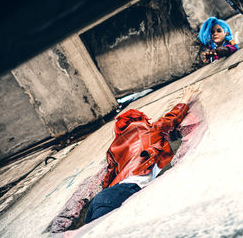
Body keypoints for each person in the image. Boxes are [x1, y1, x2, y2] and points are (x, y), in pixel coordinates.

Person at [84, 86, 199, 224]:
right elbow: (168, 120)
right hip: (123, 190)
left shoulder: (113, 148)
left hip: (104, 197)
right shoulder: (146, 131)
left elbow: (108, 179)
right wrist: (184, 100)